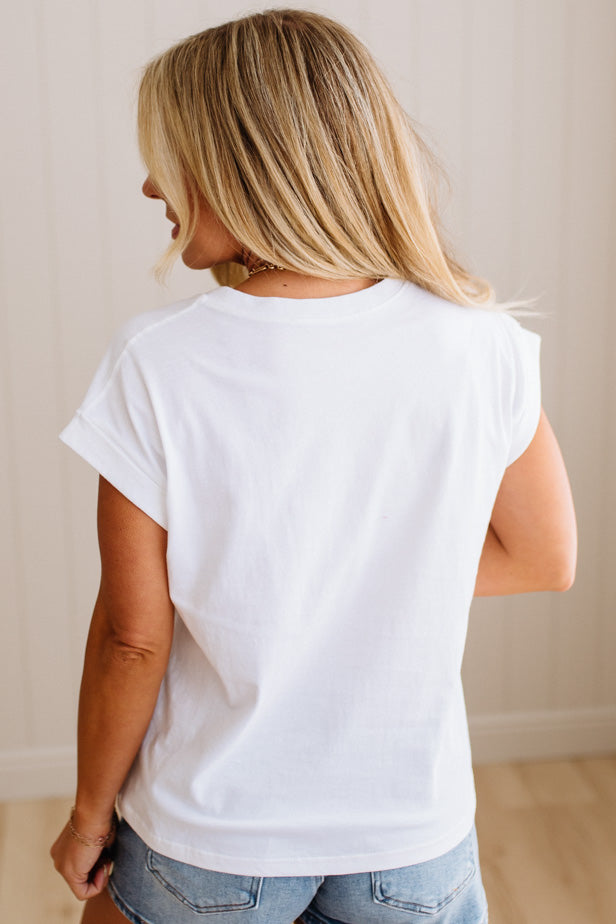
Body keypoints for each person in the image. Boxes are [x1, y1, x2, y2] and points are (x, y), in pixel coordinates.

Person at [50, 8, 577, 924]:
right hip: (411, 844)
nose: (149, 184)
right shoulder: (481, 345)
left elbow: (133, 638)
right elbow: (543, 558)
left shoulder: (160, 360)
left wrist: (89, 818)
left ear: (241, 166)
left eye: (168, 157)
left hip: (208, 842)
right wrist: (364, 582)